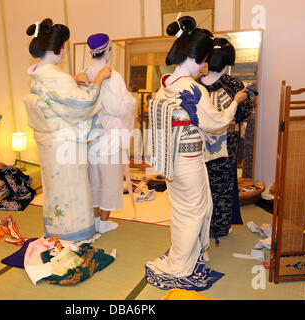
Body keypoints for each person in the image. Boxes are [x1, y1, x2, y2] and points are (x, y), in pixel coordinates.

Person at [145, 16, 248, 291]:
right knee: (195, 212)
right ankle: (182, 264)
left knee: (181, 212)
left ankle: (185, 255)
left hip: (172, 160)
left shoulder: (164, 84)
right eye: (203, 59)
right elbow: (216, 123)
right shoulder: (193, 88)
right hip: (189, 161)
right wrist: (235, 103)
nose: (204, 65)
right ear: (195, 57)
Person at [23, 18, 111, 241]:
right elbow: (83, 104)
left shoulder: (39, 75)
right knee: (72, 188)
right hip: (64, 143)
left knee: (55, 188)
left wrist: (72, 80)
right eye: (64, 47)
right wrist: (99, 79)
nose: (64, 51)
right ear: (57, 48)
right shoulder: (56, 77)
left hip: (48, 144)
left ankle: (57, 230)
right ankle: (74, 234)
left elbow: (52, 95)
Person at [198, 37, 255, 240]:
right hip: (226, 142)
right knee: (222, 187)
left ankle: (199, 229)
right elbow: (244, 113)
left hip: (198, 143)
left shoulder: (196, 84)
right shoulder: (234, 85)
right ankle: (220, 228)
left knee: (201, 187)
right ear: (229, 59)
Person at [84, 33, 136, 234]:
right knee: (110, 181)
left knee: (94, 180)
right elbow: (118, 108)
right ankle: (103, 223)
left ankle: (96, 220)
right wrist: (130, 100)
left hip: (90, 137)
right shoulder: (113, 75)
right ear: (108, 50)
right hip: (109, 137)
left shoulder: (85, 73)